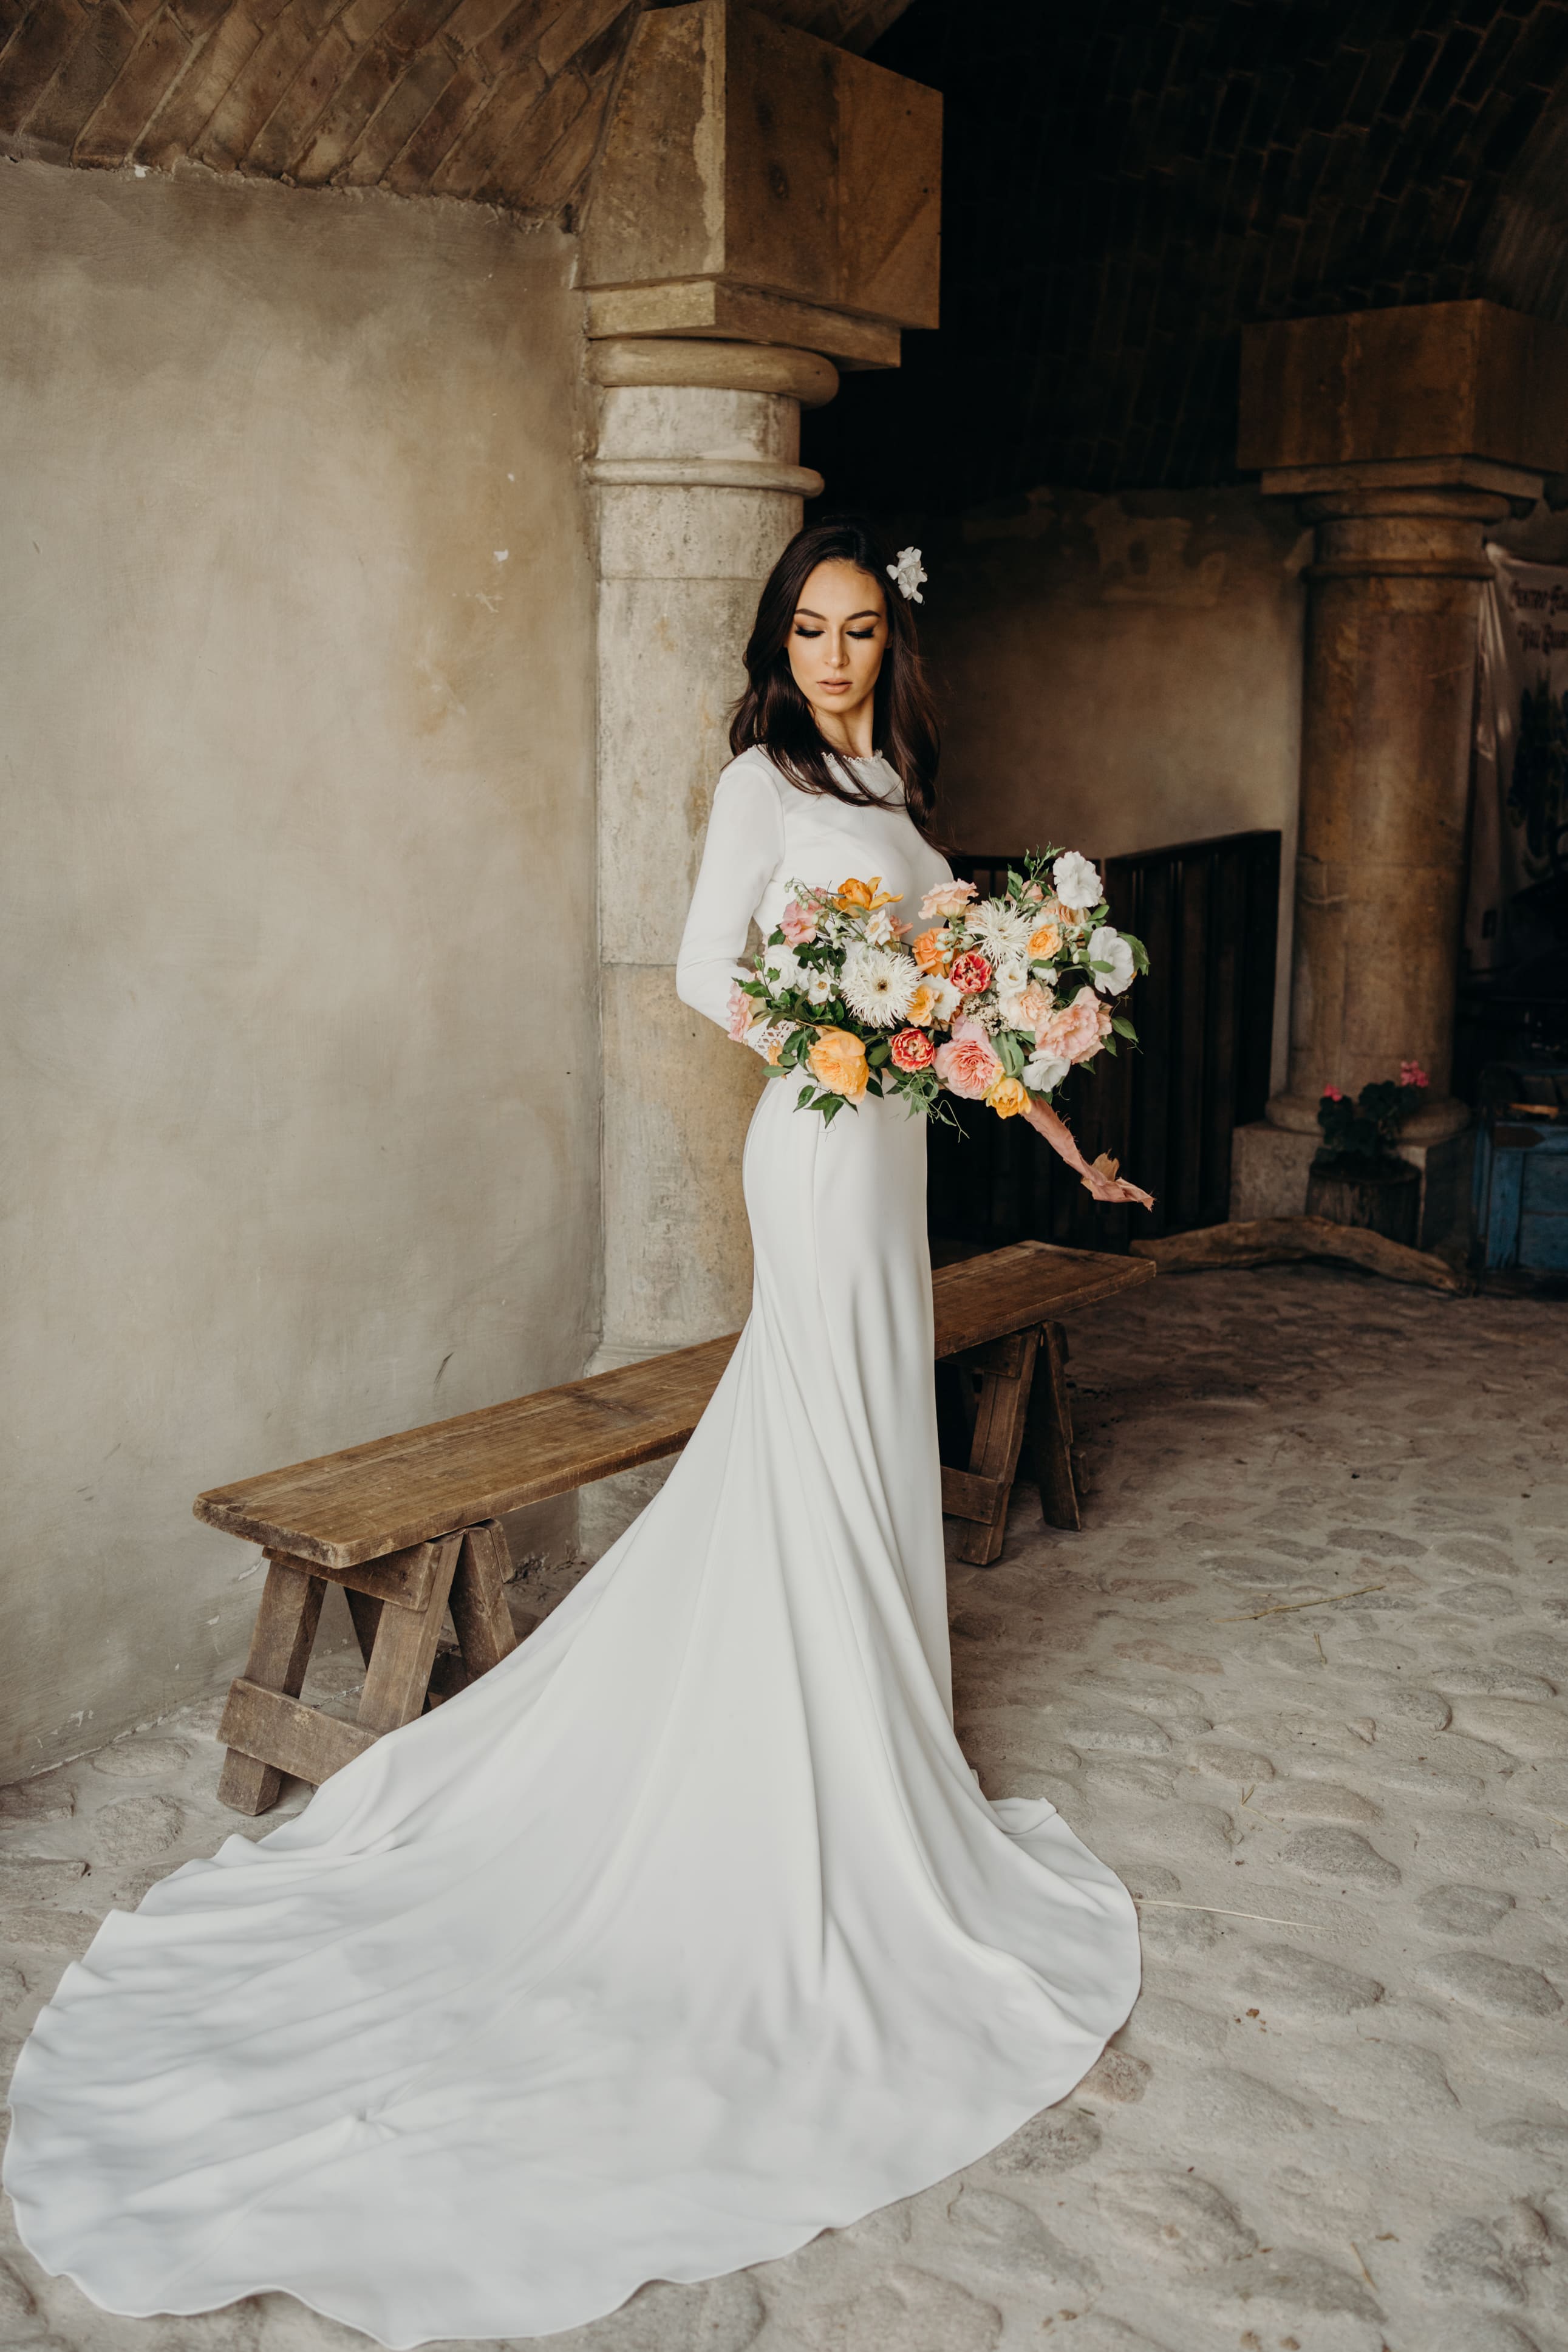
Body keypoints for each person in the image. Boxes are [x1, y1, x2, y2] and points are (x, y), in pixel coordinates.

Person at [4, 519, 1144, 2350]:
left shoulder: (886, 781)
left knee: (848, 1436)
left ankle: (866, 1748)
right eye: (813, 627)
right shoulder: (759, 785)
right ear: (780, 637)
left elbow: (962, 1006)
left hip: (897, 1164)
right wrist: (825, 1040)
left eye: (862, 629)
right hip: (818, 1146)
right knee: (820, 1427)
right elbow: (710, 970)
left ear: (890, 649)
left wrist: (1067, 1136)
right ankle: (798, 1780)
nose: (839, 654)